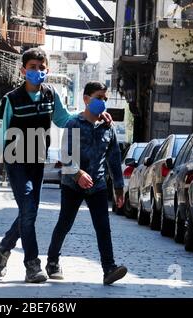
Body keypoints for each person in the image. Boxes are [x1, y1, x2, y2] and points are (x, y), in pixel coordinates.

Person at [0, 48, 113, 283]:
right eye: (32, 67)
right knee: (28, 211)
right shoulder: (10, 99)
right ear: (23, 70)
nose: (37, 71)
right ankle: (32, 265)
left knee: (28, 213)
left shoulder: (50, 94)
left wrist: (93, 115)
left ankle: (3, 248)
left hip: (37, 162)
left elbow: (65, 119)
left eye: (41, 67)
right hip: (16, 161)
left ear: (47, 70)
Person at [45, 81, 128, 285]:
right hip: (72, 184)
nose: (102, 102)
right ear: (86, 99)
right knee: (65, 223)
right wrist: (77, 174)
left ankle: (109, 268)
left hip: (97, 185)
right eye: (98, 97)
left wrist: (118, 188)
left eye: (104, 99)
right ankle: (52, 261)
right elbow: (65, 155)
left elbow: (114, 158)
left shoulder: (108, 127)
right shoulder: (74, 124)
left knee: (103, 227)